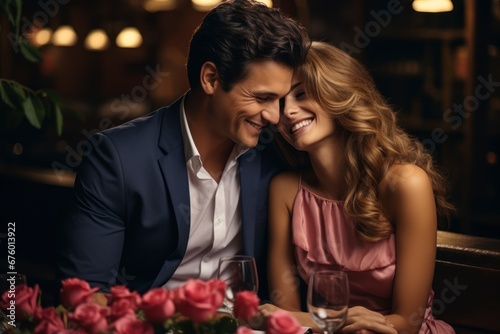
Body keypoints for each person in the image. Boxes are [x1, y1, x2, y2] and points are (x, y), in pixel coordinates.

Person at [56, 0, 310, 298]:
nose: (274, 116)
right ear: (211, 79)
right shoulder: (118, 159)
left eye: (278, 100)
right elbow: (85, 295)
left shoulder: (276, 151)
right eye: (261, 97)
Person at [263, 41, 456, 333]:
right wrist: (341, 322)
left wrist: (326, 322)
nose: (287, 112)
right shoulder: (285, 190)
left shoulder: (406, 185)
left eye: (301, 94)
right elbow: (283, 320)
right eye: (279, 103)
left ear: (338, 93)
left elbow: (407, 322)